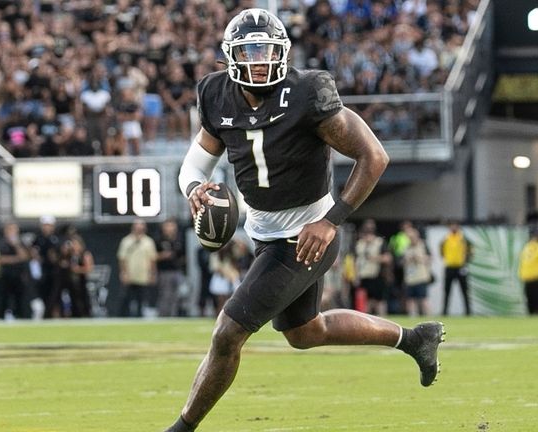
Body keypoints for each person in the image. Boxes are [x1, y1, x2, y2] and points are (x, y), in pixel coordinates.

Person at [165, 9, 444, 432]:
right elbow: (195, 164)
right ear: (230, 56)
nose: (259, 60)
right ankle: (414, 339)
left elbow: (374, 157)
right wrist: (193, 189)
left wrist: (332, 220)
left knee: (227, 332)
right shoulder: (216, 94)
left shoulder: (307, 93)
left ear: (283, 53)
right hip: (265, 232)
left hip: (306, 236)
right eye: (250, 51)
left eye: (266, 50)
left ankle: (181, 428)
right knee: (304, 332)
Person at [117, 219, 158, 317]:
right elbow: (122, 259)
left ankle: (140, 317)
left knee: (142, 299)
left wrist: (152, 273)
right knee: (126, 298)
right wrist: (123, 273)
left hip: (143, 276)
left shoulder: (148, 242)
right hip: (130, 275)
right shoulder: (126, 241)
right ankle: (124, 317)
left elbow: (152, 259)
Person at [354, 219, 391, 315]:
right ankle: (367, 322)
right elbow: (355, 261)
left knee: (379, 301)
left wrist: (374, 258)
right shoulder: (359, 244)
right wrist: (356, 275)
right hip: (363, 276)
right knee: (366, 301)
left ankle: (383, 321)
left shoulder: (380, 242)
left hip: (377, 275)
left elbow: (388, 258)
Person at [440, 220, 472, 316]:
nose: (453, 228)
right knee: (447, 291)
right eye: (451, 226)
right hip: (449, 267)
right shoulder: (446, 239)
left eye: (455, 226)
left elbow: (470, 251)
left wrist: (465, 262)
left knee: (464, 291)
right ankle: (445, 312)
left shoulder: (463, 239)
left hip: (460, 267)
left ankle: (468, 312)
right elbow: (441, 251)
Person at [156, 218, 186, 317]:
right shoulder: (159, 240)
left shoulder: (179, 240)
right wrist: (163, 255)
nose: (170, 228)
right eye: (168, 226)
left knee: (177, 295)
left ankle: (174, 316)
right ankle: (163, 315)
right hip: (165, 271)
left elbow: (184, 256)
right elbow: (153, 256)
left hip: (177, 271)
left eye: (172, 226)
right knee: (165, 295)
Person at [403, 227, 433, 317]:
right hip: (410, 278)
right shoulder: (407, 247)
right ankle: (412, 317)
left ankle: (428, 317)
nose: (411, 239)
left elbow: (430, 258)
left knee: (423, 299)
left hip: (421, 277)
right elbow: (402, 261)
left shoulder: (423, 245)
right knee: (410, 300)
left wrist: (419, 258)